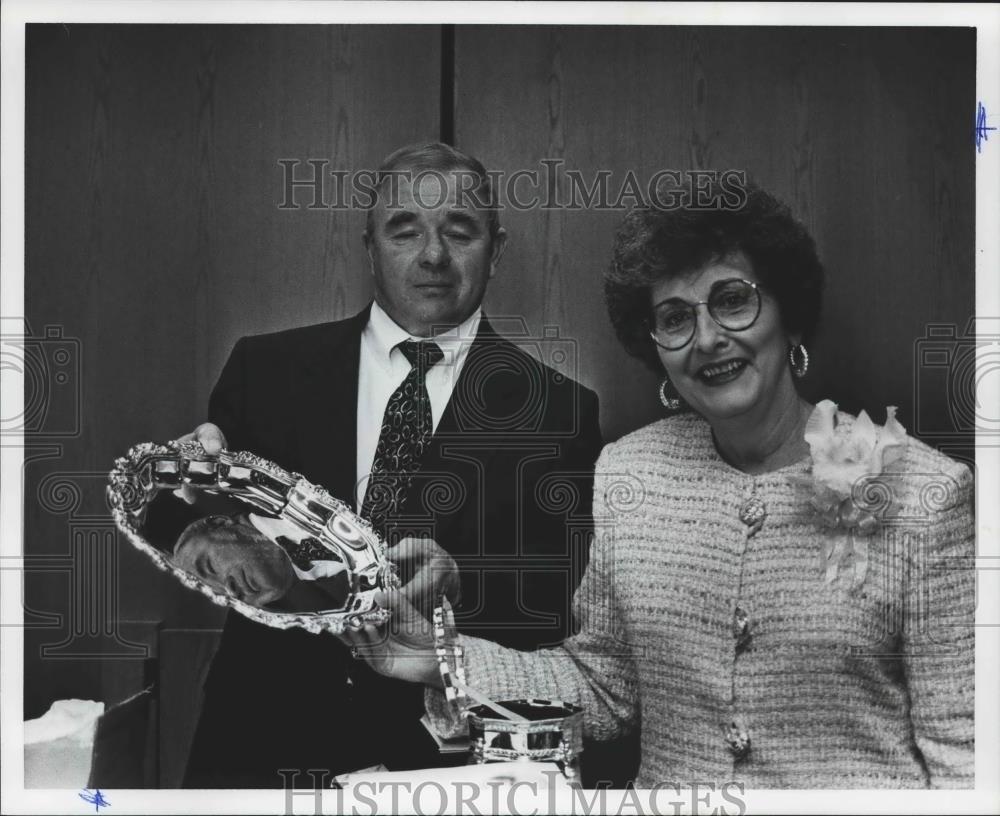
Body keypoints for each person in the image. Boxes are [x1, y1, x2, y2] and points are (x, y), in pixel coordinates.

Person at [345, 184, 976, 788]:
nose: (705, 339)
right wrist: (438, 658)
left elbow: (965, 755)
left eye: (733, 301)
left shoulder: (925, 494)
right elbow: (603, 690)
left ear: (790, 316)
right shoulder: (630, 474)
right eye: (674, 318)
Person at [178, 143, 606, 787]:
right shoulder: (265, 372)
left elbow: (557, 607)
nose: (433, 255)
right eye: (404, 229)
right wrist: (186, 479)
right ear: (369, 245)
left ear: (498, 246)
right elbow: (210, 531)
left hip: (437, 764)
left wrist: (459, 585)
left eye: (459, 231)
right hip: (256, 744)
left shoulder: (560, 412)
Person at [171, 513, 352, 612]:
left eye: (209, 566)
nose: (231, 592)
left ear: (220, 523)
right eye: (219, 596)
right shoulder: (346, 614)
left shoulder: (287, 459)